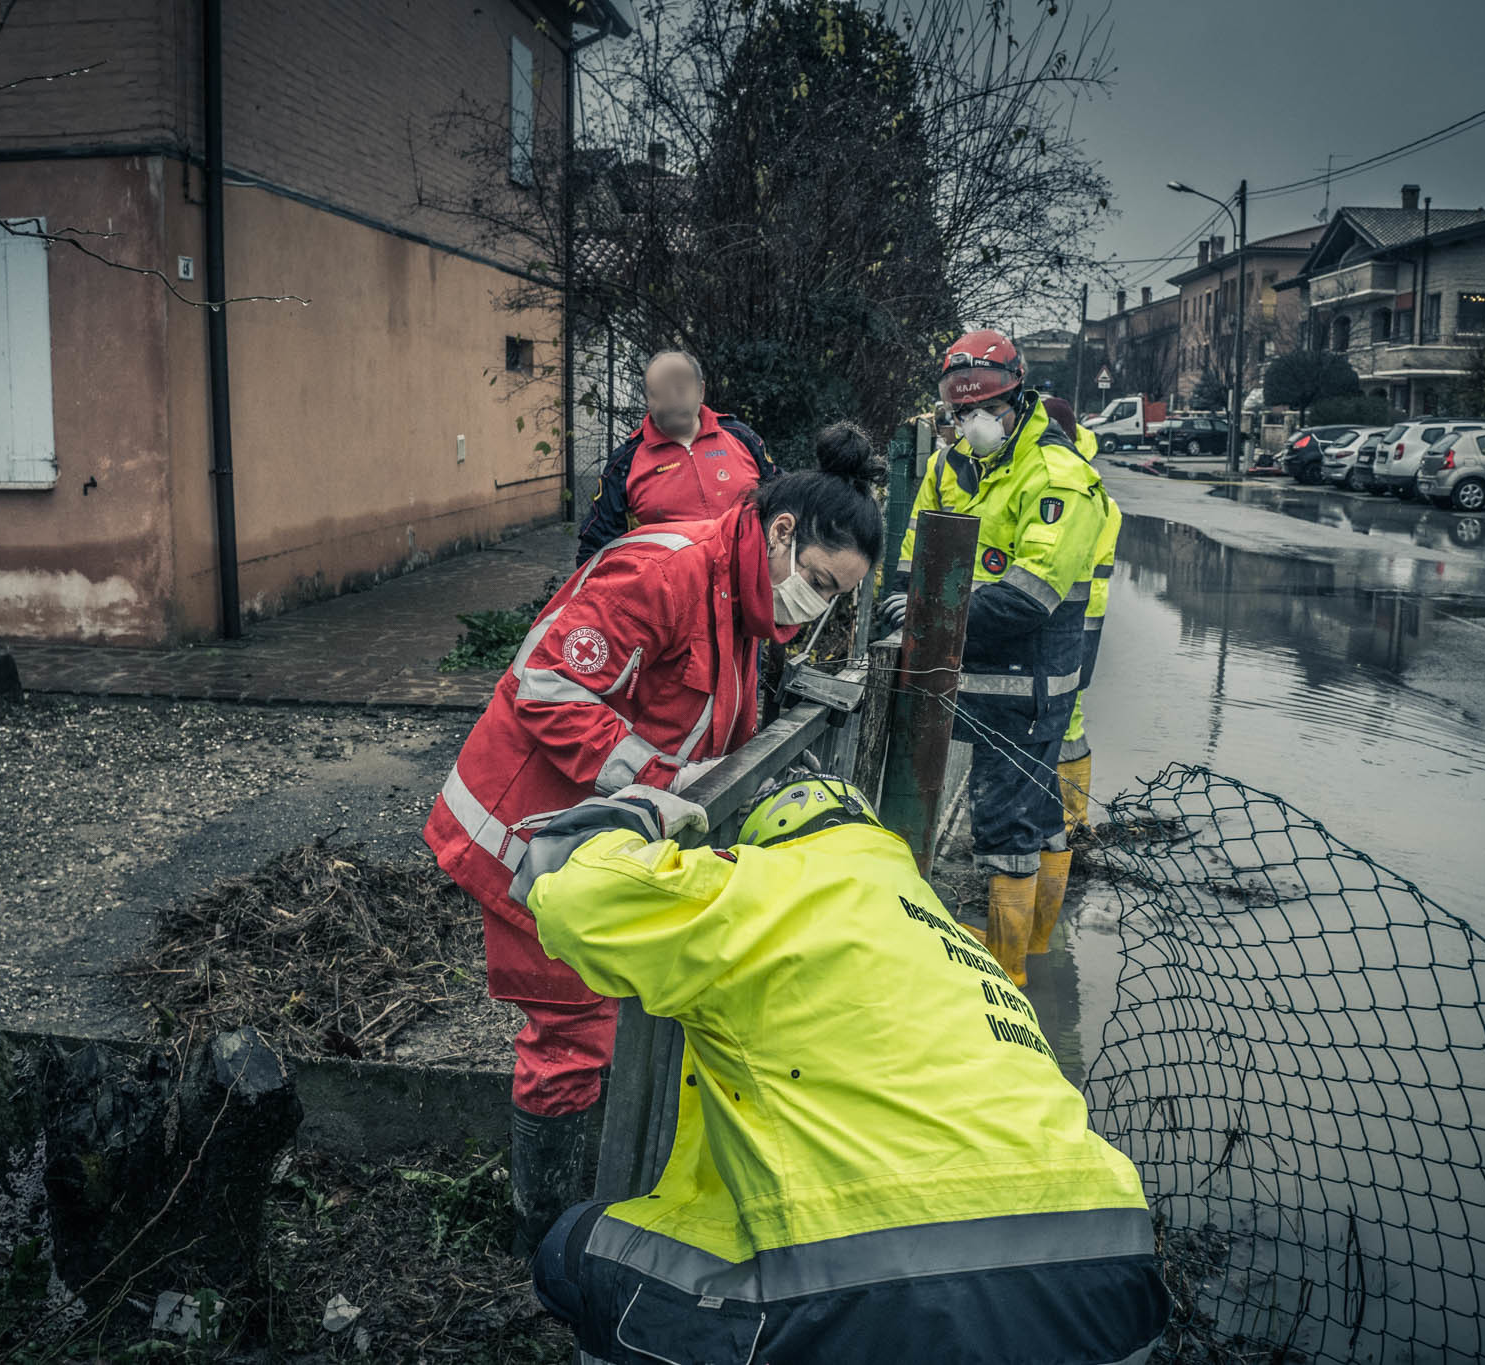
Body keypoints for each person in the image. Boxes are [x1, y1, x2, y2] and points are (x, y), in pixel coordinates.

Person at [510, 773, 1168, 1364]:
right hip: (1117, 1293)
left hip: (893, 1312)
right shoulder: (956, 941)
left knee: (574, 1252)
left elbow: (571, 891)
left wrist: (631, 817)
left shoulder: (770, 886)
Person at [423, 424, 885, 1256]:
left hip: (586, 835)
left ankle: (580, 1207)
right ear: (782, 532)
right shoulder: (669, 571)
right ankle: (544, 1242)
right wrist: (651, 784)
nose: (817, 606)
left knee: (604, 1015)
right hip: (528, 830)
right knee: (572, 1033)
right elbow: (547, 681)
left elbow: (705, 715)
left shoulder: (740, 592)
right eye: (818, 582)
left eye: (836, 595)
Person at [877, 330, 1110, 984]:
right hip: (968, 678)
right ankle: (1034, 942)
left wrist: (927, 618)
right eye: (958, 413)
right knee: (1028, 819)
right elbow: (911, 558)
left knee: (1012, 825)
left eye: (985, 411)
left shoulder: (1058, 476)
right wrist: (906, 599)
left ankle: (1013, 972)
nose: (971, 425)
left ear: (1019, 399)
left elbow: (1029, 598)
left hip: (1028, 685)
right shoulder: (948, 467)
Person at [577, 350, 777, 566]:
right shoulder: (625, 462)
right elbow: (596, 548)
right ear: (648, 399)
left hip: (748, 584)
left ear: (700, 391)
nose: (671, 399)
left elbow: (781, 501)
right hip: (672, 594)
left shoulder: (741, 437)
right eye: (660, 393)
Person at [1040, 398, 1121, 836]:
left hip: (1068, 617)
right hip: (1086, 616)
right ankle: (1070, 817)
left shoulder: (1070, 483)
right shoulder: (1088, 478)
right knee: (1068, 716)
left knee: (1062, 716)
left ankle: (1067, 818)